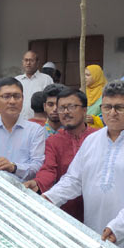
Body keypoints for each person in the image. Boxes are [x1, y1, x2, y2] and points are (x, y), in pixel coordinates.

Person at [44, 80, 124, 248]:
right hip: (95, 233)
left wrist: (118, 227)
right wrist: (48, 199)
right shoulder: (92, 140)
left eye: (120, 107)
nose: (112, 113)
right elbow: (74, 180)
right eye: (107, 107)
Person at [24, 86, 97, 222]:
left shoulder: (98, 137)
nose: (66, 112)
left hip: (97, 205)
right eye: (62, 108)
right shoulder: (53, 141)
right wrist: (38, 183)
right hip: (67, 206)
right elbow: (48, 169)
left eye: (71, 107)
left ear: (85, 109)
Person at [0, 77, 45, 182]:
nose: (12, 101)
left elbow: (38, 165)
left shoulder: (35, 130)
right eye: (6, 96)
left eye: (17, 96)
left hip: (25, 191)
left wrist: (14, 167)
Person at [15, 50, 54, 120]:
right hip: (19, 121)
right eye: (26, 60)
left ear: (37, 63)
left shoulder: (46, 79)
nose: (28, 63)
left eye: (31, 60)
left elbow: (51, 100)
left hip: (40, 122)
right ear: (22, 62)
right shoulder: (17, 80)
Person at [84, 64, 106, 128]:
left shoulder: (106, 93)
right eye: (84, 74)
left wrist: (94, 120)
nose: (85, 77)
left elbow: (109, 116)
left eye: (88, 75)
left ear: (96, 76)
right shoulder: (82, 91)